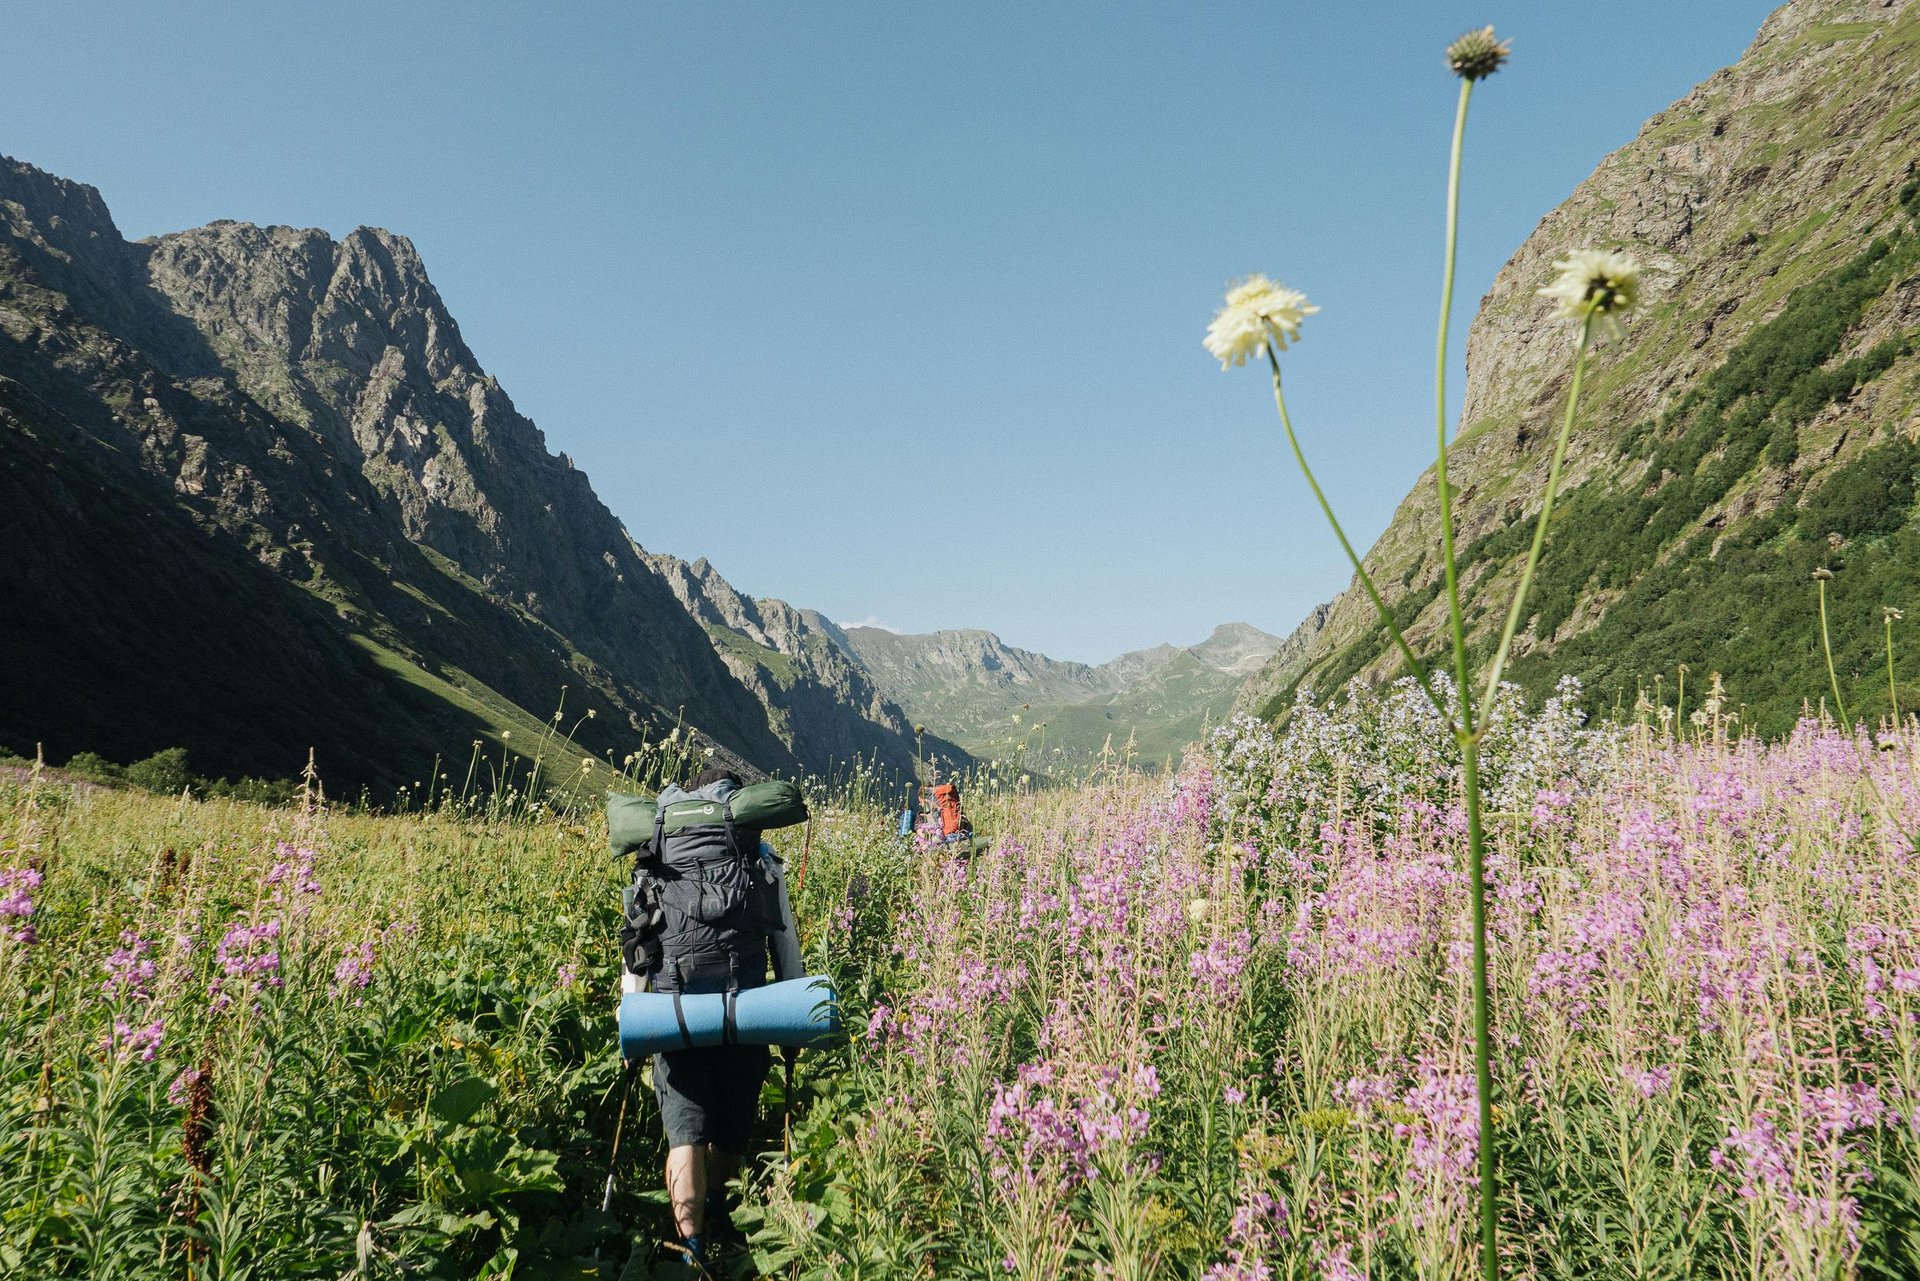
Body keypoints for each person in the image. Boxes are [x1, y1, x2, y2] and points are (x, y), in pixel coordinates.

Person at [622, 765, 783, 1271]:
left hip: (674, 1013)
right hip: (745, 1011)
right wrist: (789, 1023)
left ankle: (691, 1252)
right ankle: (721, 1212)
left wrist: (633, 1023)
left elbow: (638, 948)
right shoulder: (758, 856)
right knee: (732, 1125)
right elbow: (786, 943)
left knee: (684, 1132)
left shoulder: (656, 855)